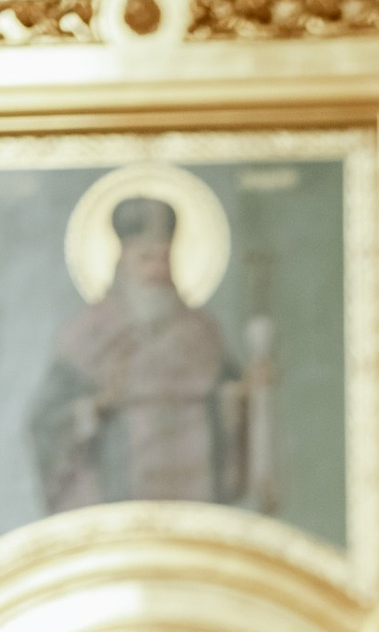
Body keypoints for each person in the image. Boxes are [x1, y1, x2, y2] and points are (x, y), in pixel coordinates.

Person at [28, 195, 247, 513]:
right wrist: (96, 407)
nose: (156, 269)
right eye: (145, 257)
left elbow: (233, 407)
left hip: (196, 506)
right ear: (122, 261)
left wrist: (246, 394)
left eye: (164, 258)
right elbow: (47, 421)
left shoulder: (204, 332)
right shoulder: (86, 334)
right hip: (116, 511)